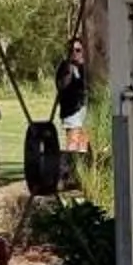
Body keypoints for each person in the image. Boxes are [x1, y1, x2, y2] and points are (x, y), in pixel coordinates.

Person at [52, 38, 92, 185]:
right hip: (72, 112)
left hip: (85, 111)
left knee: (83, 143)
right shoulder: (65, 68)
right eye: (72, 50)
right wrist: (69, 69)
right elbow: (63, 85)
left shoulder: (86, 68)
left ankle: (81, 177)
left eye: (78, 50)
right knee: (73, 143)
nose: (75, 53)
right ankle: (68, 176)